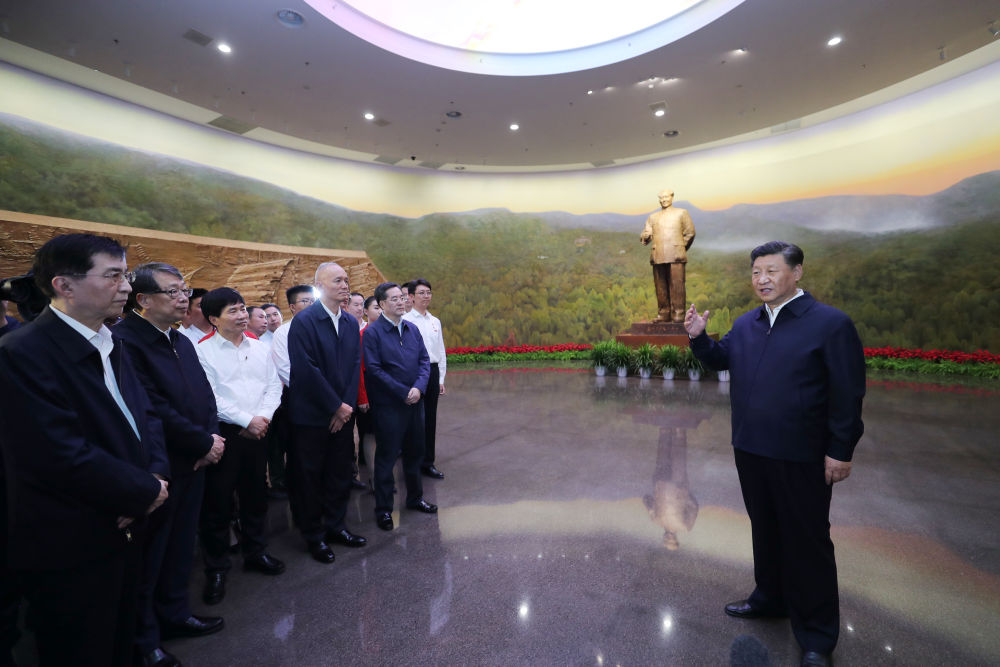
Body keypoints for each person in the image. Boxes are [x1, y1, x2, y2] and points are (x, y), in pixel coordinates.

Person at [683, 241, 865, 667]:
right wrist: (699, 338)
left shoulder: (830, 324)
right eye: (755, 272)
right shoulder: (747, 323)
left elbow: (848, 392)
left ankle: (817, 635)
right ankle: (770, 598)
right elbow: (721, 359)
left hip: (802, 455)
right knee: (765, 529)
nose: (761, 280)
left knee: (807, 541)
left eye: (771, 271)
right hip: (751, 448)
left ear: (796, 272)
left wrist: (840, 450)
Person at [0, 233, 169, 666]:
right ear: (64, 285)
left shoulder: (113, 341)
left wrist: (155, 476)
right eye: (112, 276)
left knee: (122, 639)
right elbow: (57, 453)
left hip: (127, 525)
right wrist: (142, 491)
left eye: (125, 275)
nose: (126, 286)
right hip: (74, 541)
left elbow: (145, 417)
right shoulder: (21, 353)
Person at [115, 263, 226, 666]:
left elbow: (204, 395)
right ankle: (145, 640)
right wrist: (200, 442)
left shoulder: (179, 339)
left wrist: (212, 438)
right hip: (162, 466)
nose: (183, 299)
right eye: (173, 291)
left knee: (180, 547)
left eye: (185, 290)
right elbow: (151, 406)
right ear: (143, 299)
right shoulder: (126, 342)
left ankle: (176, 614)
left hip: (197, 460)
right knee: (151, 556)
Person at [195, 287, 285, 606]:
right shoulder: (202, 351)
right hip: (225, 434)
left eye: (243, 308)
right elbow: (210, 397)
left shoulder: (259, 346)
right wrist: (247, 420)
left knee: (255, 496)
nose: (242, 315)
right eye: (232, 310)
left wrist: (262, 418)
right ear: (213, 319)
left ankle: (256, 552)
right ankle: (217, 569)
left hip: (260, 431)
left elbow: (273, 385)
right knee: (218, 504)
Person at [287, 263, 367, 563]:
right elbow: (305, 369)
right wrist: (335, 405)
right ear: (319, 286)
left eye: (346, 280)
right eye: (337, 280)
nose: (345, 285)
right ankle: (314, 535)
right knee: (310, 478)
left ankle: (336, 526)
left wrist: (344, 407)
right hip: (312, 415)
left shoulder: (349, 322)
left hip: (342, 415)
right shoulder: (305, 321)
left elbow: (353, 365)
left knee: (339, 472)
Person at [363, 282, 437, 532]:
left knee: (415, 453)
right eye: (394, 299)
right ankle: (384, 509)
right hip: (389, 407)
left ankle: (415, 498)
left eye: (402, 298)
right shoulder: (373, 333)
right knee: (387, 458)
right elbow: (374, 370)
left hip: (415, 403)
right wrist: (402, 391)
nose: (401, 302)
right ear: (382, 304)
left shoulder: (412, 329)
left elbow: (424, 361)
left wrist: (418, 388)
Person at [268, 285, 315, 501]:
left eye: (313, 301)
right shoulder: (283, 332)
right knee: (299, 448)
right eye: (305, 301)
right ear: (292, 307)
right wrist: (315, 392)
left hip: (327, 399)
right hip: (298, 397)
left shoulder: (323, 327)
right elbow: (285, 369)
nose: (311, 305)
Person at [402, 278, 448, 479]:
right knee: (413, 419)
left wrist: (441, 379)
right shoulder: (405, 320)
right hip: (413, 372)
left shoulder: (435, 321)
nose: (426, 296)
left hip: (432, 371)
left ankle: (428, 462)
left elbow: (441, 351)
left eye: (428, 292)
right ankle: (412, 462)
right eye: (421, 293)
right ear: (411, 297)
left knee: (430, 419)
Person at [640, 188, 696, 323]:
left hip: (676, 255)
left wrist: (680, 248)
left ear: (672, 197)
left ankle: (679, 314)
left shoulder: (682, 213)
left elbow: (690, 233)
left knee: (677, 286)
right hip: (658, 255)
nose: (664, 200)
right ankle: (663, 313)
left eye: (666, 197)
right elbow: (645, 235)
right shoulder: (653, 217)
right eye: (661, 198)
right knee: (660, 286)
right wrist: (645, 236)